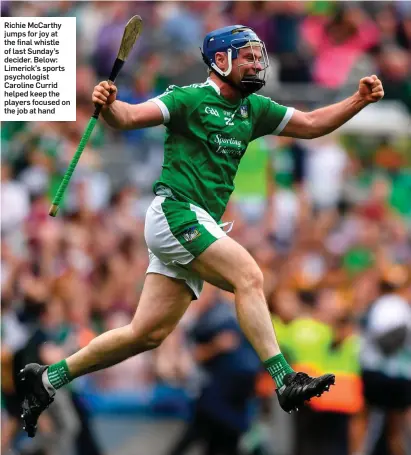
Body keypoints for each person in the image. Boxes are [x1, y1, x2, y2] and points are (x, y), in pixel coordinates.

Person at [18, 24, 384, 438]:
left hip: (197, 223)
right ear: (221, 60)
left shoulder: (255, 109)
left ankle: (47, 379)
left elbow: (314, 122)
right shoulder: (188, 99)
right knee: (249, 276)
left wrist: (359, 99)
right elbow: (130, 118)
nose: (257, 63)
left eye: (258, 55)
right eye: (247, 56)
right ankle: (285, 380)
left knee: (146, 334)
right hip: (176, 212)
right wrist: (109, 103)